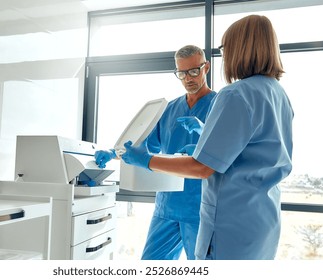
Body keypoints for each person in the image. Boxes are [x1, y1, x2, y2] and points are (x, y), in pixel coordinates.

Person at [121, 15, 293, 260]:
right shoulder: (278, 94)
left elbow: (202, 166)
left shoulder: (235, 94)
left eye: (225, 48)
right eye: (182, 73)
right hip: (260, 219)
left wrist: (146, 161)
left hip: (228, 220)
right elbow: (256, 149)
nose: (225, 55)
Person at [95, 45, 217, 260]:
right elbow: (143, 145)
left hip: (200, 207)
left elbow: (226, 152)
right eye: (182, 73)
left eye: (194, 71)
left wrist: (203, 131)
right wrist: (114, 153)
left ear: (206, 67)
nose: (188, 78)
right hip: (167, 205)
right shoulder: (170, 109)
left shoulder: (219, 105)